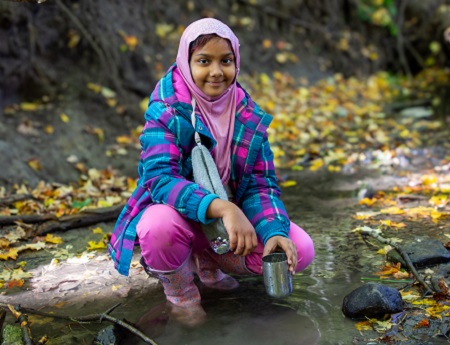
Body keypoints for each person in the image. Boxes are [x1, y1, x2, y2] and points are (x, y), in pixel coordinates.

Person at [108, 17, 315, 327]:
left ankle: (207, 262)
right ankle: (181, 292)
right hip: (180, 220)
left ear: (237, 62)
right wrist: (224, 208)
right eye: (204, 61)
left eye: (226, 61)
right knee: (156, 225)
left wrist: (273, 231)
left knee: (299, 249)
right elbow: (160, 180)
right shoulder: (166, 109)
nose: (217, 71)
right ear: (185, 62)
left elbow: (262, 184)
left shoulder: (247, 115)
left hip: (225, 226)